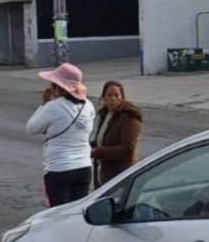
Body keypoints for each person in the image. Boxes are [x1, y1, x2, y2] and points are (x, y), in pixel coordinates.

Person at [28, 62, 95, 207]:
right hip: (84, 167)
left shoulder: (53, 107)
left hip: (59, 169)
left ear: (59, 87)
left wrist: (44, 104)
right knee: (77, 212)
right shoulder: (88, 105)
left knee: (59, 215)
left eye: (53, 85)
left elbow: (32, 128)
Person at [90, 80, 143, 187]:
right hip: (103, 173)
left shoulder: (129, 117)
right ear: (103, 98)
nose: (113, 99)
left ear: (122, 97)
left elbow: (128, 149)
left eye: (116, 95)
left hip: (120, 175)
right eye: (109, 95)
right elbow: (102, 140)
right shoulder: (105, 114)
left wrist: (97, 152)